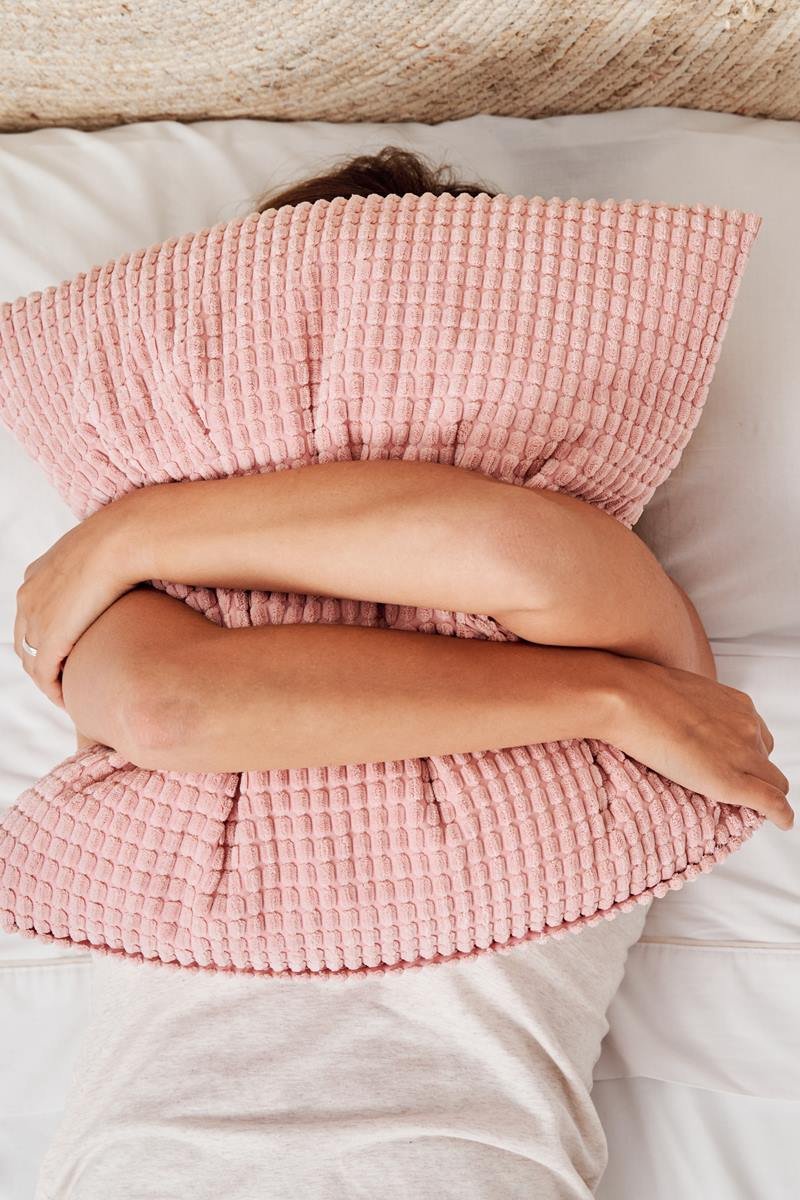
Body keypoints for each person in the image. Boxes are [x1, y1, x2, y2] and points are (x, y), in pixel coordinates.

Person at [17, 147, 792, 1200]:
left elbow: (498, 547)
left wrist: (132, 529)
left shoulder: (605, 601)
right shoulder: (148, 616)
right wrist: (607, 702)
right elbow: (169, 708)